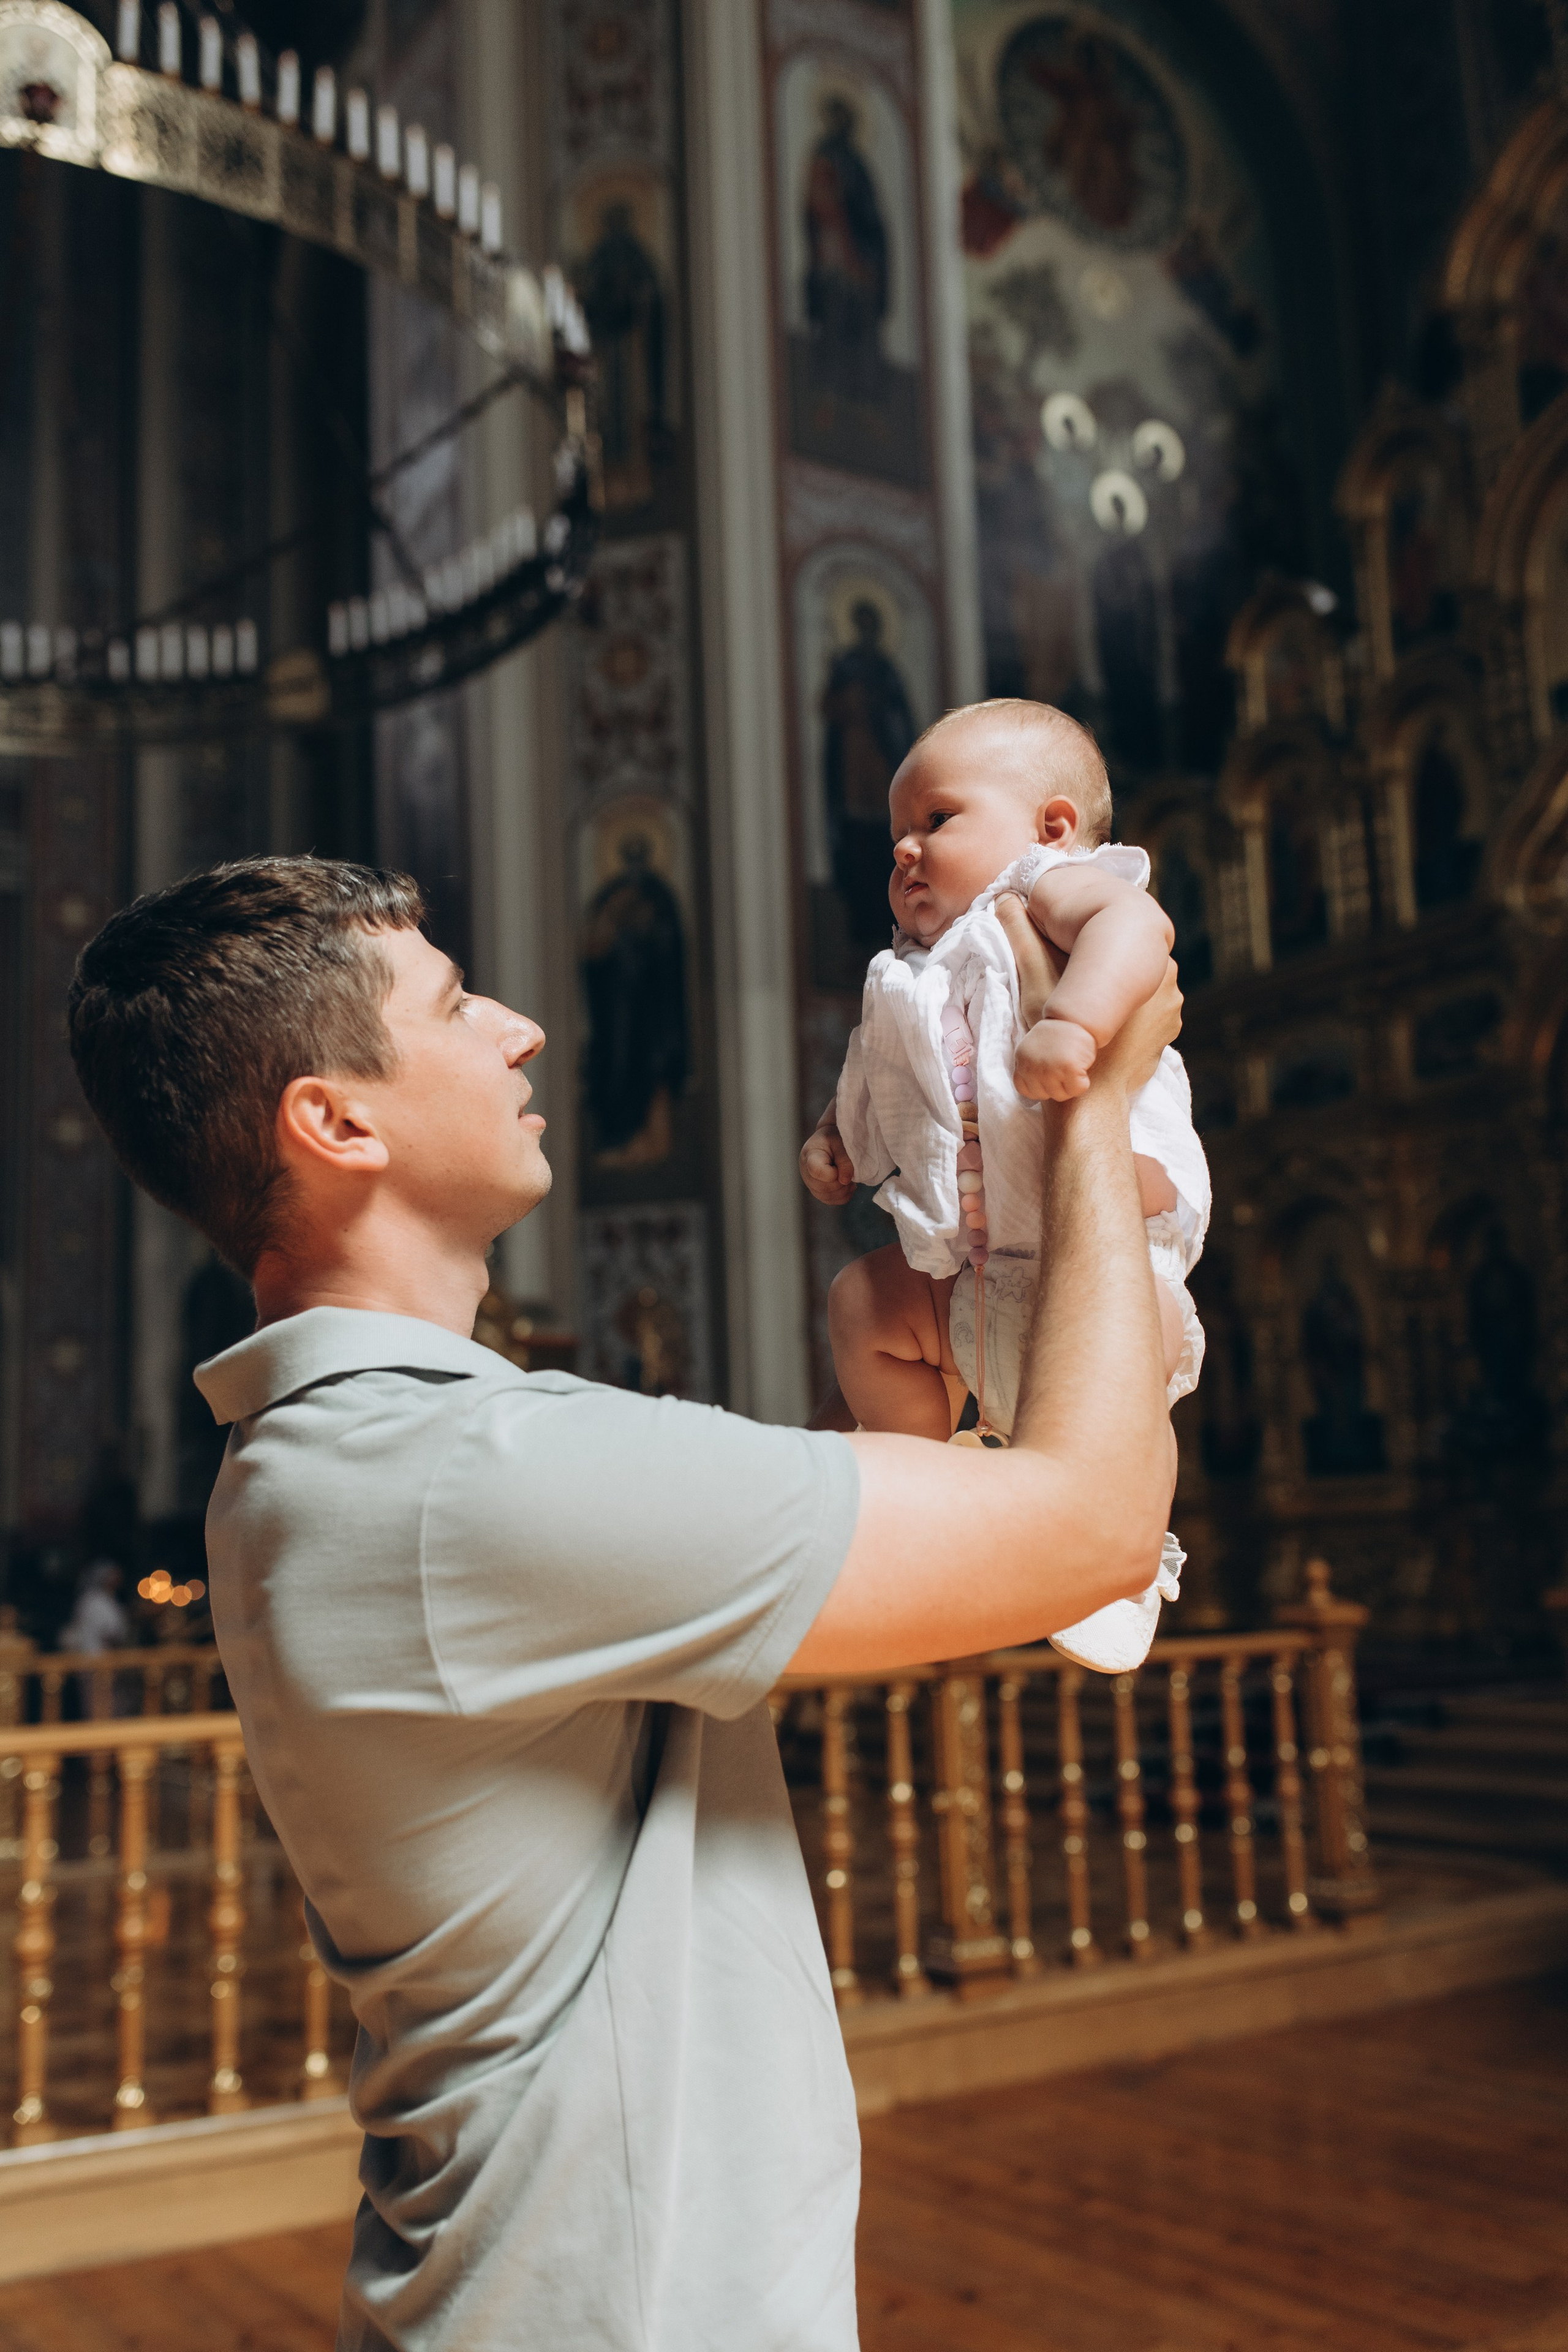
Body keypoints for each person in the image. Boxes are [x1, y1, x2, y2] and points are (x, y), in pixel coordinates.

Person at [66, 853, 1179, 2352]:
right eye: (457, 1004)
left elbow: (924, 1564)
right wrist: (1090, 1105)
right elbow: (1095, 1528)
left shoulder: (347, 1460)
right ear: (335, 1122)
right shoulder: (463, 1477)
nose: (521, 1027)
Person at [801, 699, 1209, 1672]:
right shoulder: (906, 971)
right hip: (972, 1274)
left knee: (1140, 1345)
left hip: (1103, 1245)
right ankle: (924, 1474)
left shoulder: (1043, 891)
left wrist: (1074, 1019)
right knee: (860, 1301)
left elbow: (1139, 930)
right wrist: (835, 1139)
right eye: (895, 832)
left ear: (1052, 826)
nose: (904, 848)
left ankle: (1130, 1547)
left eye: (936, 820)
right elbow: (872, 1067)